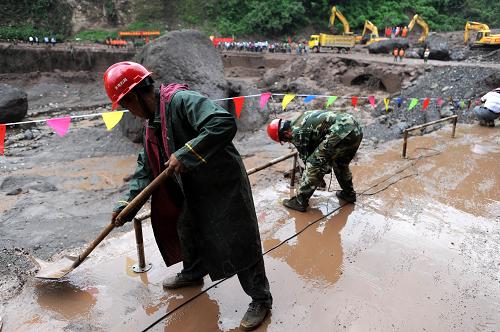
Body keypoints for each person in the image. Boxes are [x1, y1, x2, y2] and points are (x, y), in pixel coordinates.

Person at [104, 62, 272, 330]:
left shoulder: (181, 101)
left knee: (239, 237)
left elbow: (222, 122)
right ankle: (194, 272)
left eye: (126, 106)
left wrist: (185, 153)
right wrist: (127, 205)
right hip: (191, 186)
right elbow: (145, 168)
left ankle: (260, 298)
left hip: (222, 183)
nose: (130, 113)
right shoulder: (151, 124)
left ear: (134, 97)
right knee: (186, 226)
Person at [266, 110, 363, 212]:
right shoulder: (299, 120)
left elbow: (310, 161)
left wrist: (315, 178)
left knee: (313, 163)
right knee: (340, 164)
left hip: (340, 130)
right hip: (355, 128)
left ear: (286, 133)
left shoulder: (296, 133)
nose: (288, 142)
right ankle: (349, 194)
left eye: (285, 140)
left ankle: (300, 201)